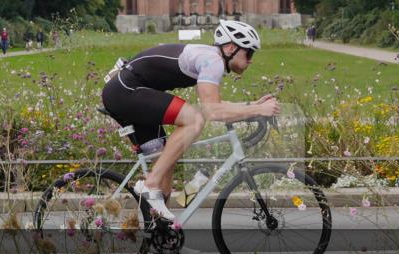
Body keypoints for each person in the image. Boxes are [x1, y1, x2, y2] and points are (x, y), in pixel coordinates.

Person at [101, 21, 279, 227]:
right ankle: (148, 185)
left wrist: (250, 106)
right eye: (249, 54)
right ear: (231, 48)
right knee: (193, 120)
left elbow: (213, 104)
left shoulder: (210, 58)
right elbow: (211, 112)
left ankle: (164, 238)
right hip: (125, 91)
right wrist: (256, 110)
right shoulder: (213, 61)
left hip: (129, 92)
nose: (250, 61)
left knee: (165, 161)